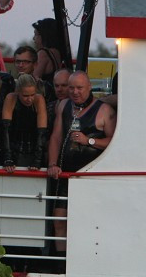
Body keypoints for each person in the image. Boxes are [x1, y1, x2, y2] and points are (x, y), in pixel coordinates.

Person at [47, 72, 116, 255]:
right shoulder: (64, 105)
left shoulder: (104, 110)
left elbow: (115, 142)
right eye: (71, 88)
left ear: (89, 87)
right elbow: (56, 136)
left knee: (86, 221)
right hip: (65, 174)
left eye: (79, 88)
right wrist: (53, 163)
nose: (75, 92)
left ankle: (84, 257)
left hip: (89, 176)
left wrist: (90, 141)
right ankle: (61, 263)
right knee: (59, 220)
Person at [0, 74, 48, 173]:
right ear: (18, 92)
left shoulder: (39, 100)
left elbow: (42, 132)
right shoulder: (11, 98)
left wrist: (37, 160)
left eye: (32, 95)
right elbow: (5, 130)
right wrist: (8, 157)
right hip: (14, 147)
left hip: (32, 147)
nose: (29, 99)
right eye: (25, 95)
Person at [33, 18, 67, 83]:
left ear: (44, 35)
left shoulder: (43, 53)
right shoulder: (57, 52)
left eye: (36, 34)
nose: (33, 38)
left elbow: (34, 79)